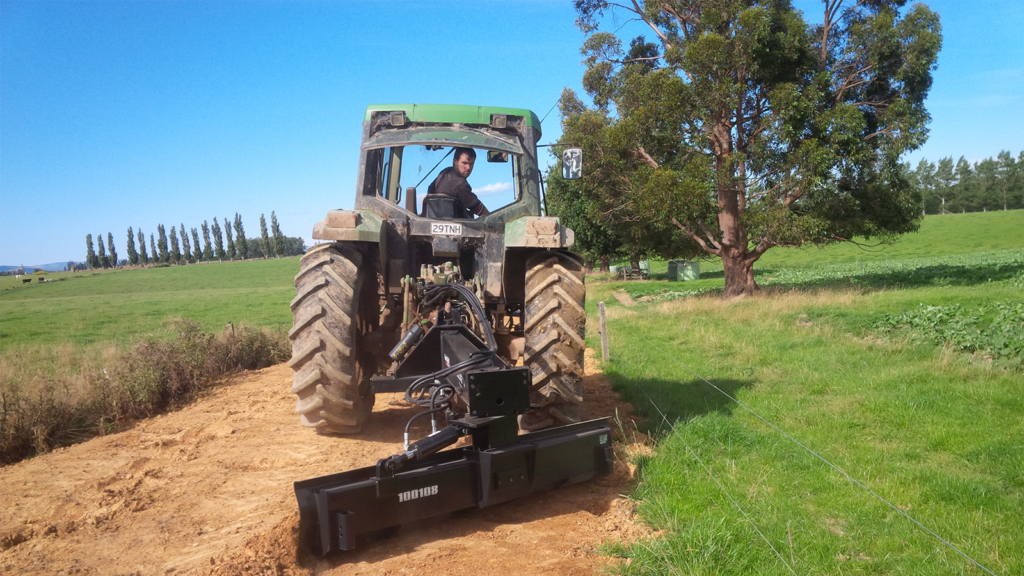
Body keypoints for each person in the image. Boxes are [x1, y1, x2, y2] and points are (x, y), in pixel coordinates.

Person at [425, 147, 489, 217]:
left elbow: (430, 190)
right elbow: (477, 208)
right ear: (455, 161)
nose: (468, 167)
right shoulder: (461, 185)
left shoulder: (445, 172)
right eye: (464, 163)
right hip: (456, 224)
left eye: (471, 163)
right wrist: (491, 219)